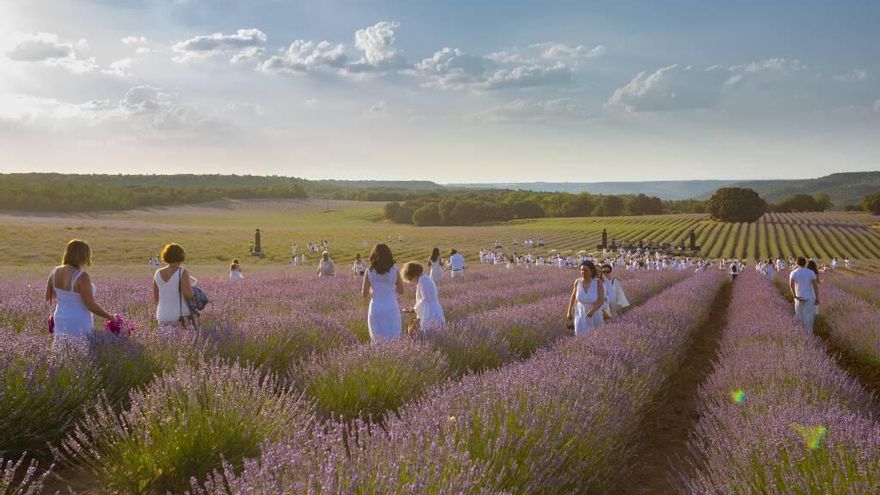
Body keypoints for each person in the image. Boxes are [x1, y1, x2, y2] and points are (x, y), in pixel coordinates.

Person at [45, 239, 115, 342]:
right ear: (83, 256)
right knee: (81, 350)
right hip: (78, 320)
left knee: (61, 351)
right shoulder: (82, 276)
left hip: (60, 317)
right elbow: (90, 305)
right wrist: (110, 317)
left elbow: (49, 298)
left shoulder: (55, 272)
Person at [362, 244, 403, 341]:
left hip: (376, 307)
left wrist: (375, 290)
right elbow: (401, 291)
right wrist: (390, 288)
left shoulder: (369, 271)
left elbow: (364, 294)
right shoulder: (394, 270)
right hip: (391, 306)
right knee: (394, 336)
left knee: (377, 338)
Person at [153, 243, 198, 329]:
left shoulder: (157, 273)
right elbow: (188, 295)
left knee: (165, 340)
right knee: (185, 341)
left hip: (162, 315)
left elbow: (156, 298)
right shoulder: (182, 272)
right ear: (181, 257)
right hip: (180, 316)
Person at [401, 262, 445, 332]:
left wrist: (414, 308)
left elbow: (426, 298)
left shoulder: (422, 280)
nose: (410, 281)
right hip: (431, 309)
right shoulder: (424, 278)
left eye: (409, 279)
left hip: (430, 311)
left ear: (413, 275)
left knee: (429, 332)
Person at [566, 260, 605, 336]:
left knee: (595, 335)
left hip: (594, 313)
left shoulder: (597, 283)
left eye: (585, 270)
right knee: (580, 334)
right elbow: (573, 296)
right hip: (580, 313)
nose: (583, 272)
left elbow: (601, 300)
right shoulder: (578, 282)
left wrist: (593, 310)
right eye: (581, 270)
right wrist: (569, 312)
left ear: (591, 271)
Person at [789, 257, 819, 331]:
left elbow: (791, 285)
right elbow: (815, 286)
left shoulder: (794, 272)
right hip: (809, 297)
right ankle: (808, 333)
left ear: (797, 263)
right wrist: (817, 298)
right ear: (805, 263)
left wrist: (794, 295)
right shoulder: (810, 272)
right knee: (809, 316)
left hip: (798, 297)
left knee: (799, 316)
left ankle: (800, 332)